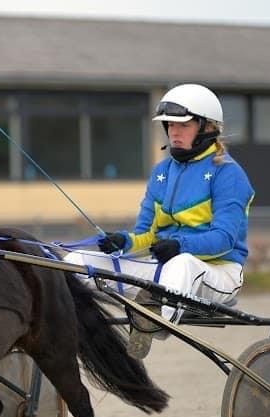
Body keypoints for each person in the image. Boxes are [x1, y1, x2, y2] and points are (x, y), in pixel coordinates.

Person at [65, 83, 255, 359]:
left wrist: (179, 245)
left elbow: (224, 240)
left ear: (208, 127)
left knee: (181, 263)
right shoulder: (162, 172)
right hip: (161, 272)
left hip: (217, 272)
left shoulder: (228, 174)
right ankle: (82, 328)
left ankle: (151, 322)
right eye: (170, 125)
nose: (174, 132)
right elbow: (146, 235)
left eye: (184, 125)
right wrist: (123, 241)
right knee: (75, 262)